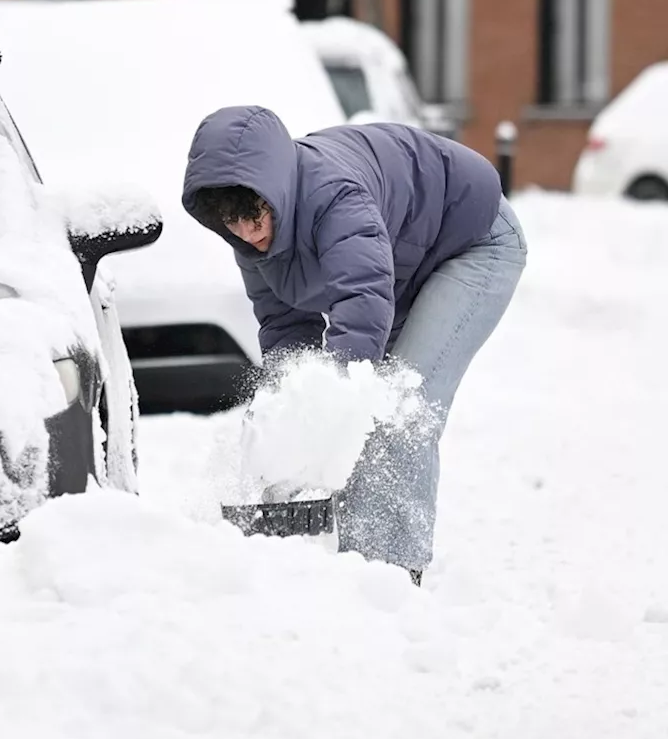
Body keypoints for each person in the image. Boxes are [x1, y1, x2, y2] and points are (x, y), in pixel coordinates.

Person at [181, 105, 528, 585]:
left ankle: (387, 582)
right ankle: (331, 572)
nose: (248, 233)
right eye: (232, 223)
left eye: (253, 216)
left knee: (397, 405)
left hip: (473, 241)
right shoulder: (251, 242)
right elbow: (285, 329)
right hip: (408, 265)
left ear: (275, 190)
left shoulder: (334, 197)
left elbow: (361, 306)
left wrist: (333, 410)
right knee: (336, 404)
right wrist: (289, 420)